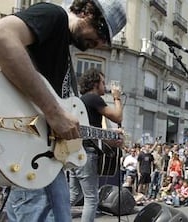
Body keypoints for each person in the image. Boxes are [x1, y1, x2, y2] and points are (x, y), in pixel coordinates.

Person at [0, 0, 126, 221]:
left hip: (37, 163)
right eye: (102, 31)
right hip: (30, 161)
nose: (100, 43)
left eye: (106, 40)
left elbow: (62, 124)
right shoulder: (55, 16)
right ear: (86, 10)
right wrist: (54, 112)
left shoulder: (61, 51)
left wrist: (105, 137)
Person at [69, 67, 123, 222]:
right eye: (102, 82)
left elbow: (93, 130)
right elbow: (118, 117)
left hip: (75, 151)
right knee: (91, 199)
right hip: (87, 154)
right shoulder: (94, 98)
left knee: (74, 194)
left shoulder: (81, 100)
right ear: (95, 83)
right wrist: (117, 98)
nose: (104, 85)